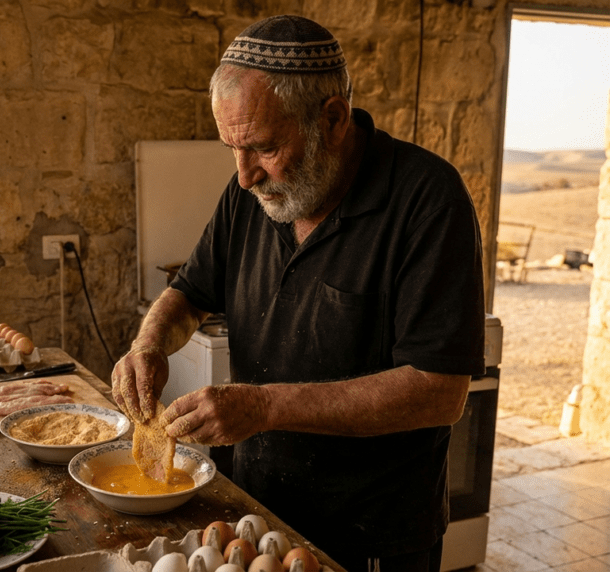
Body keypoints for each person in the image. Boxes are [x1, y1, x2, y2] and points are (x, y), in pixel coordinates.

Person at [111, 15, 486, 572]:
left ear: (332, 119)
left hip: (371, 533)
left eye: (262, 147)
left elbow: (439, 391)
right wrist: (149, 344)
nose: (243, 176)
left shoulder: (427, 202)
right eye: (232, 149)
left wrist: (263, 406)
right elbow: (190, 294)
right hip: (256, 513)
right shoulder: (251, 195)